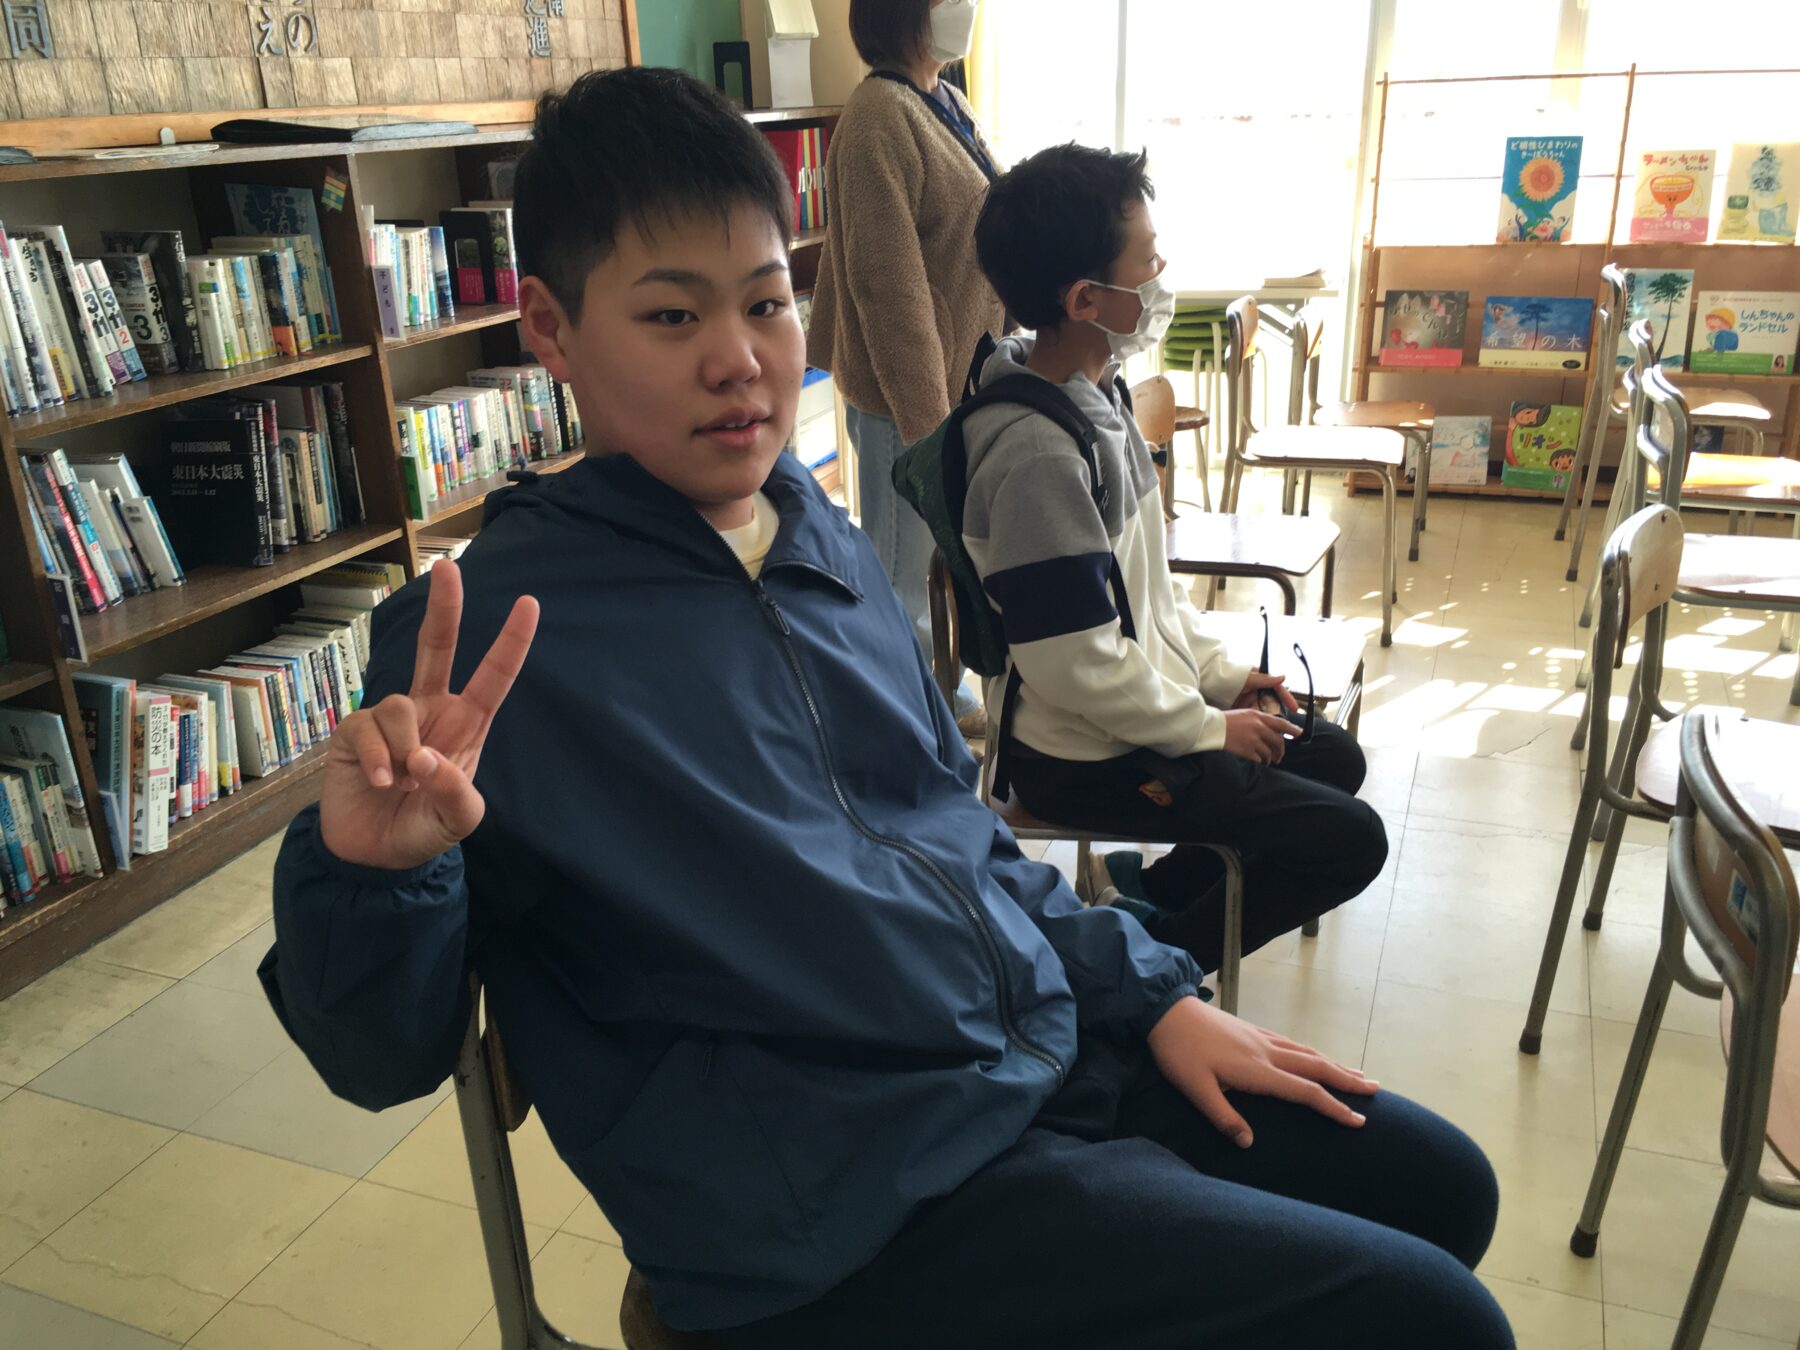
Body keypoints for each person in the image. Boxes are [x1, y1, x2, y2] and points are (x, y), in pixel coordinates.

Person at [259, 68, 1511, 1349]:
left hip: (1022, 1058)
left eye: (765, 302)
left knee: (1441, 1188)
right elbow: (378, 1059)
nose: (740, 359)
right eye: (673, 314)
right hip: (835, 1209)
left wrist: (1150, 995)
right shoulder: (485, 640)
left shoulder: (818, 534)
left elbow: (957, 839)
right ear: (550, 328)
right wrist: (369, 874)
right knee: (1436, 1324)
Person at [964, 143, 1391, 974]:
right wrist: (1209, 728)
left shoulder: (1096, 398)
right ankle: (1141, 973)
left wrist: (1224, 680)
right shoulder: (1038, 455)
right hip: (1083, 758)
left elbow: (1149, 599)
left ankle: (1146, 896)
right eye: (1149, 260)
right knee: (1352, 841)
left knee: (1333, 756)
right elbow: (1074, 665)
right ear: (1086, 299)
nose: (1162, 275)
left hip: (1124, 721)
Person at [807, 0, 998, 736]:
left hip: (951, 381)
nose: (965, 10)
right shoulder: (878, 117)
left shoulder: (942, 99)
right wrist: (929, 428)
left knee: (931, 565)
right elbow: (889, 288)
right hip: (905, 397)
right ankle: (903, 725)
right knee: (900, 574)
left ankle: (934, 696)